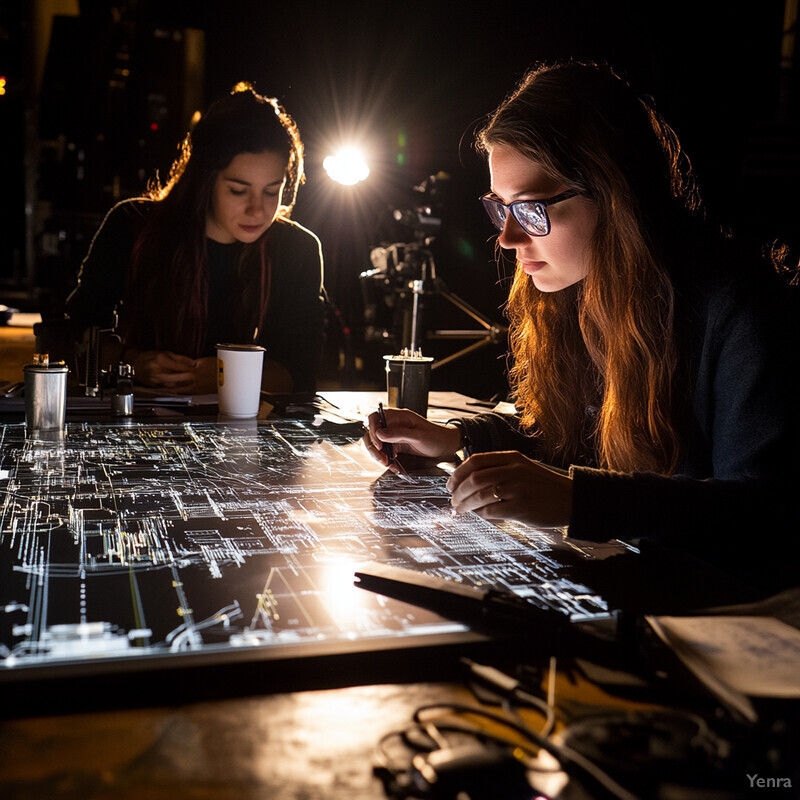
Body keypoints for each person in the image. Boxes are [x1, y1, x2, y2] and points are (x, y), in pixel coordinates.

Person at [364, 61, 799, 589]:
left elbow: (769, 512)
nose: (507, 239)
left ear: (614, 193)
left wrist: (578, 500)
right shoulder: (576, 287)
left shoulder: (739, 303)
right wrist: (459, 439)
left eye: (528, 209)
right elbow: (572, 440)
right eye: (499, 209)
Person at [65, 82, 326, 395]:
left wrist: (227, 378)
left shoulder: (297, 250)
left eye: (272, 190)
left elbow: (301, 371)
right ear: (204, 180)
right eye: (238, 190)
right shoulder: (133, 226)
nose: (258, 209)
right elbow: (77, 332)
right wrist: (132, 362)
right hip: (136, 418)